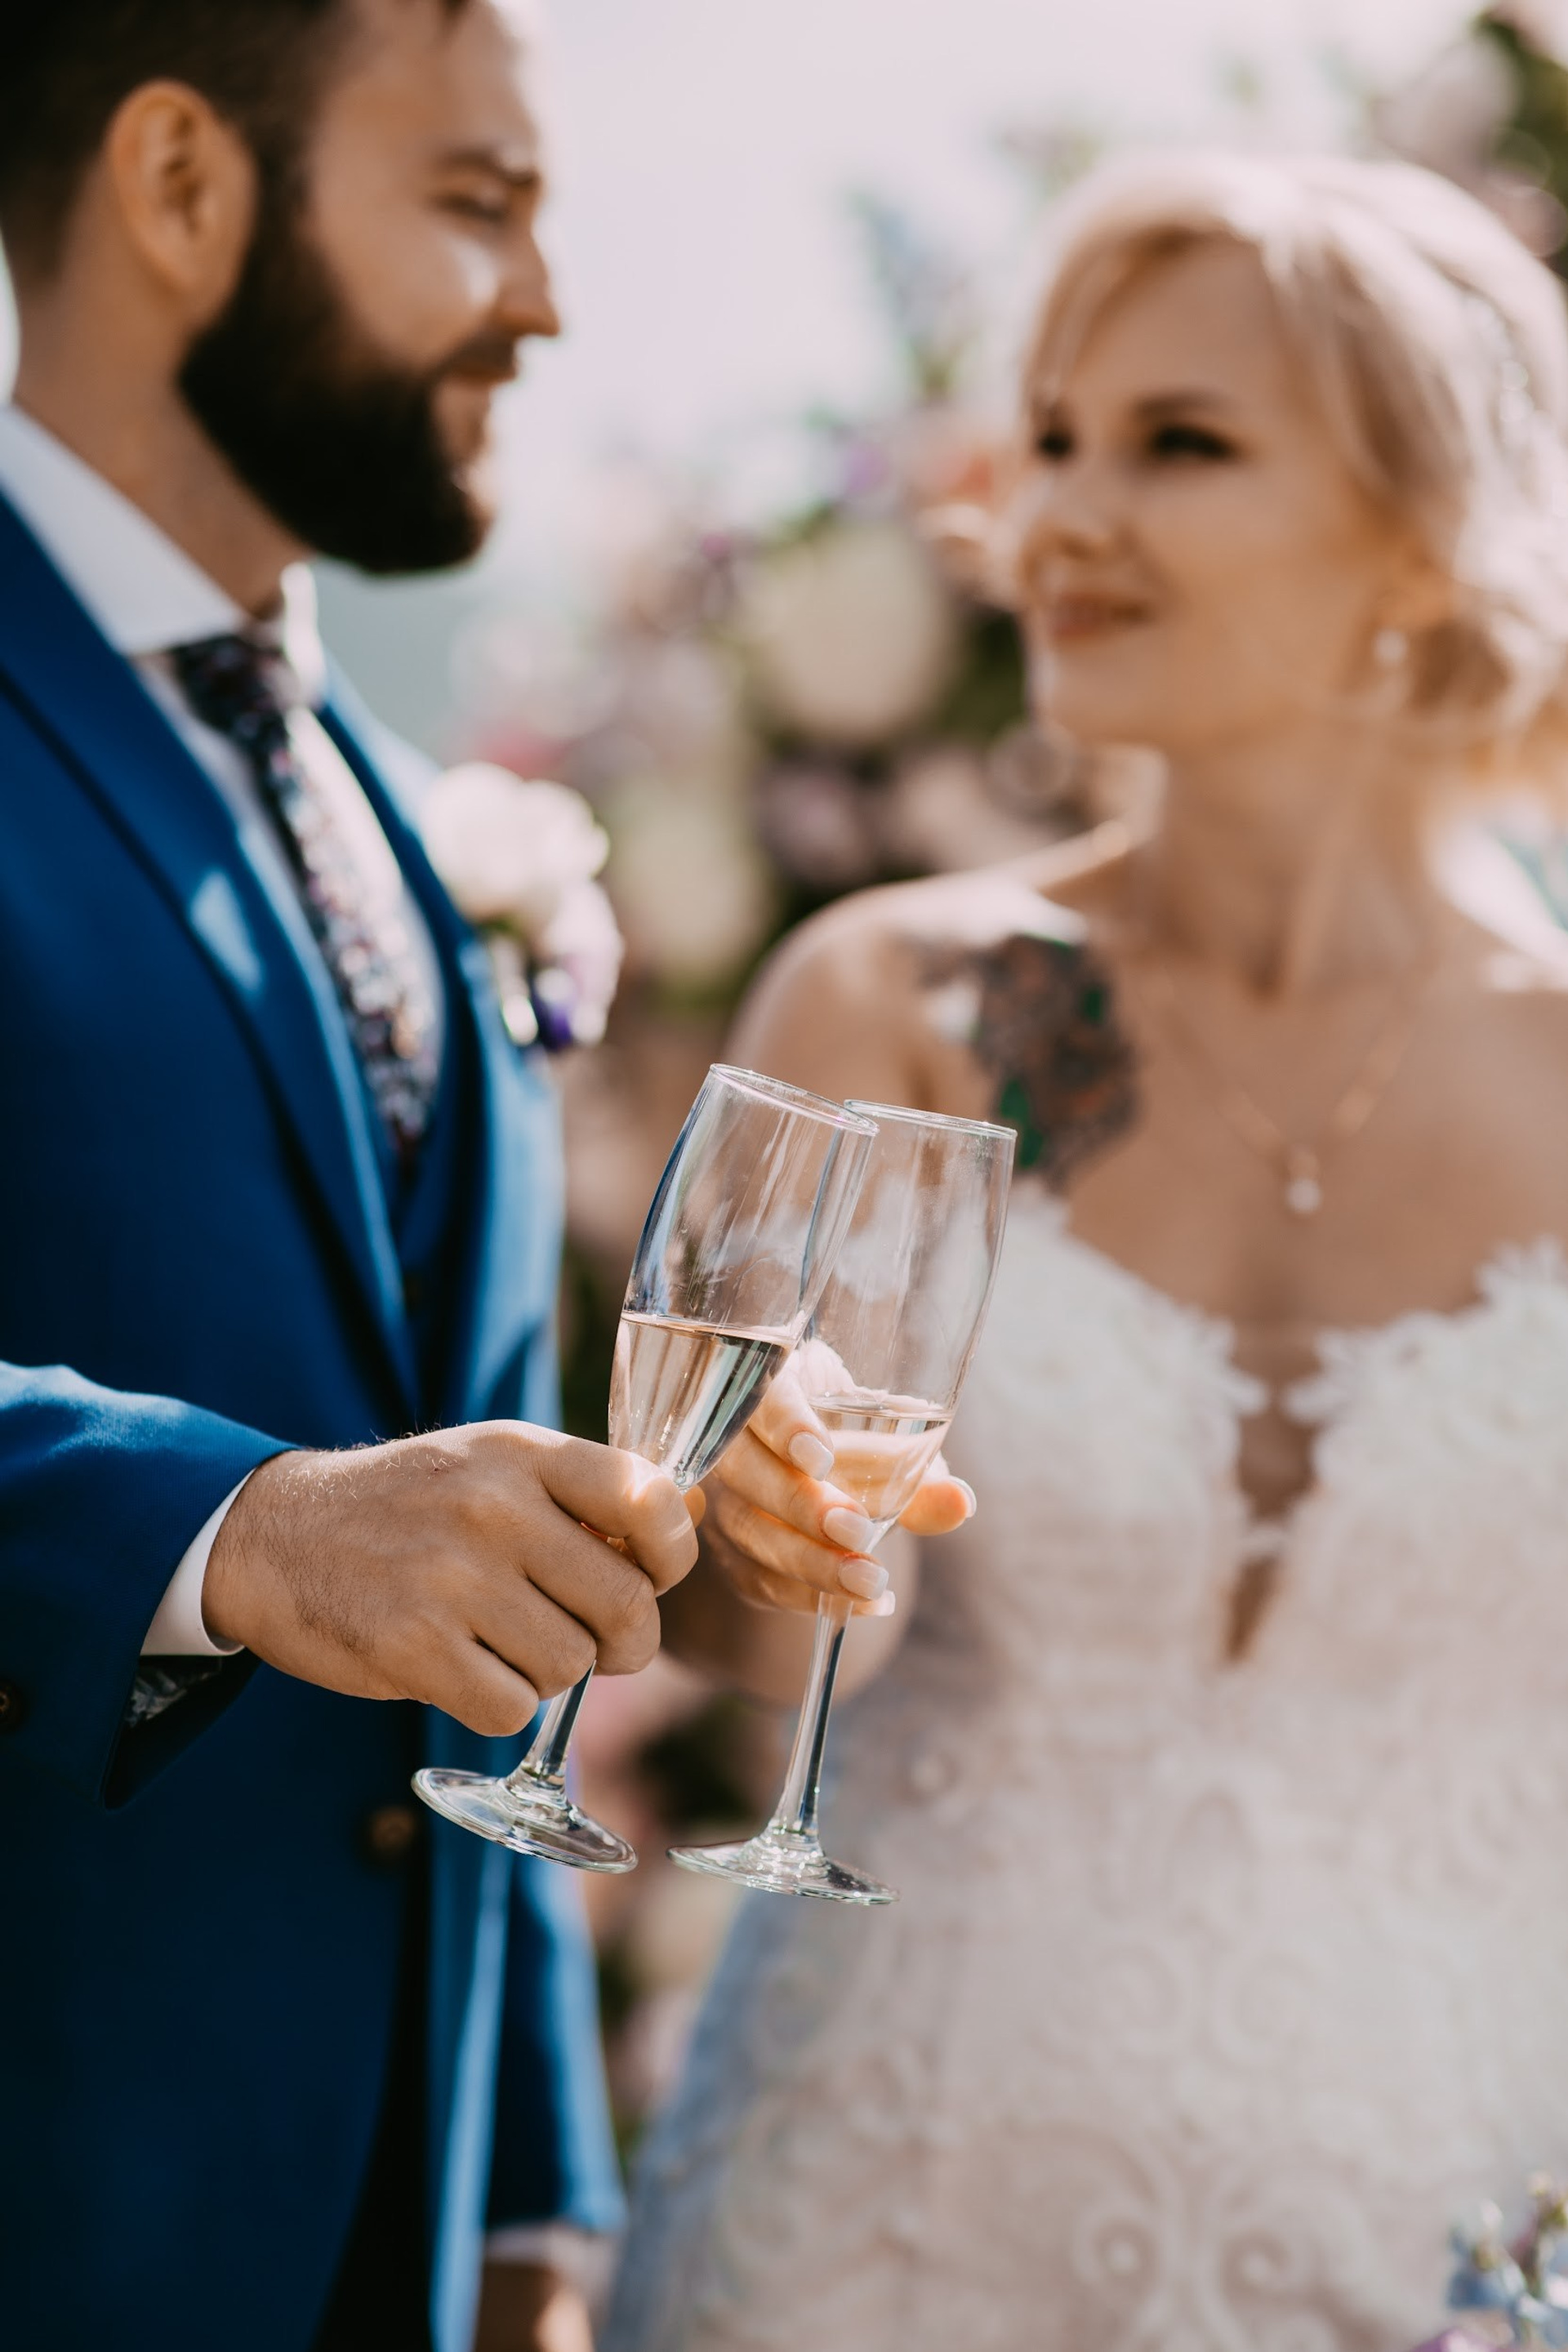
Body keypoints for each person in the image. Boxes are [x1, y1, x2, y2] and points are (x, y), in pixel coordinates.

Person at [604, 153, 1568, 2352]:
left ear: (1421, 536)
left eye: (1179, 444)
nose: (1062, 513)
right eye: (1049, 438)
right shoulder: (897, 1005)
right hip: (860, 2221)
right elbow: (757, 1648)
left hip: (1420, 2249)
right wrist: (758, 1525)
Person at [0, 6, 716, 2349]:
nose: (548, 303)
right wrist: (236, 1536)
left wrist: (527, 2208)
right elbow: (330, 1535)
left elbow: (474, 1650)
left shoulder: (424, 834)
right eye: (474, 205)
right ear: (185, 187)